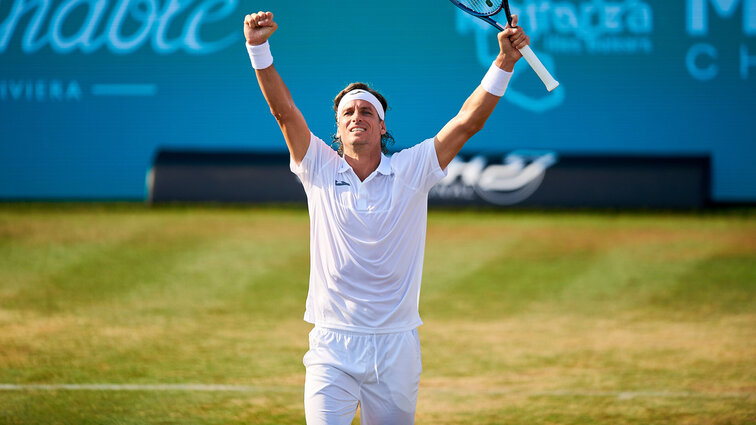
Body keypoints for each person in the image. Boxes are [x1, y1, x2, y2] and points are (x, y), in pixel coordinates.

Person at [243, 10, 529, 425]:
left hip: (397, 348)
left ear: (382, 127)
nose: (357, 116)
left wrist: (503, 61)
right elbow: (284, 113)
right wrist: (258, 47)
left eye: (366, 112)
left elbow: (468, 123)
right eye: (348, 114)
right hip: (331, 346)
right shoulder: (317, 166)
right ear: (337, 132)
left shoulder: (413, 169)